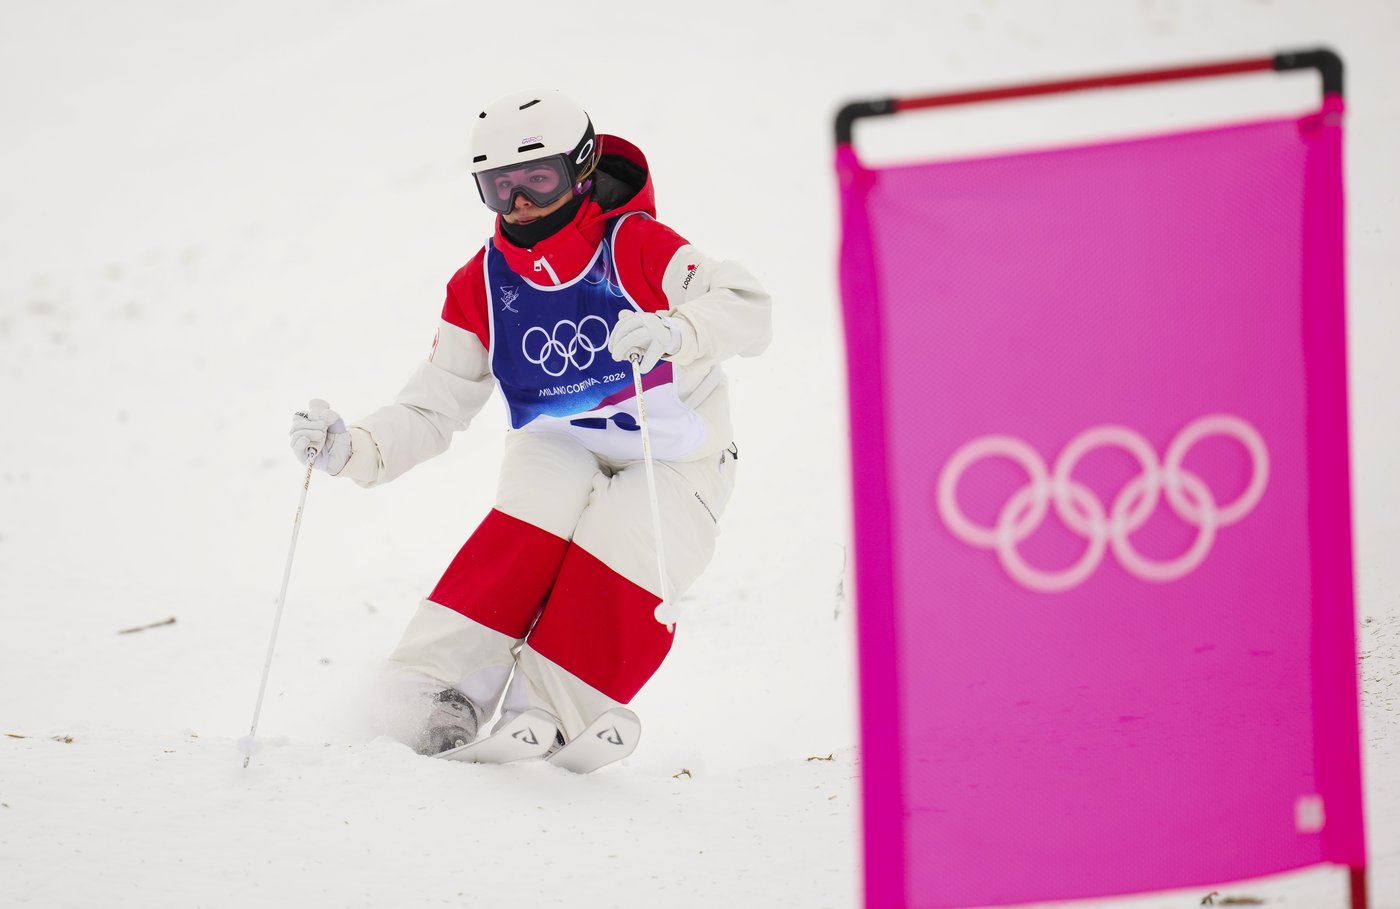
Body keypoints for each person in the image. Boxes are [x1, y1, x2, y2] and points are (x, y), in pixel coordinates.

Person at [288, 89, 771, 760]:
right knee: (527, 524)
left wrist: (677, 329)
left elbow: (749, 307)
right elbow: (435, 404)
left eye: (536, 180)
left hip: (676, 449)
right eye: (498, 187)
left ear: (579, 169)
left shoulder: (636, 246)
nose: (519, 204)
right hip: (560, 438)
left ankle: (553, 709)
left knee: (629, 542)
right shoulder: (481, 285)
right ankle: (432, 694)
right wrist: (356, 449)